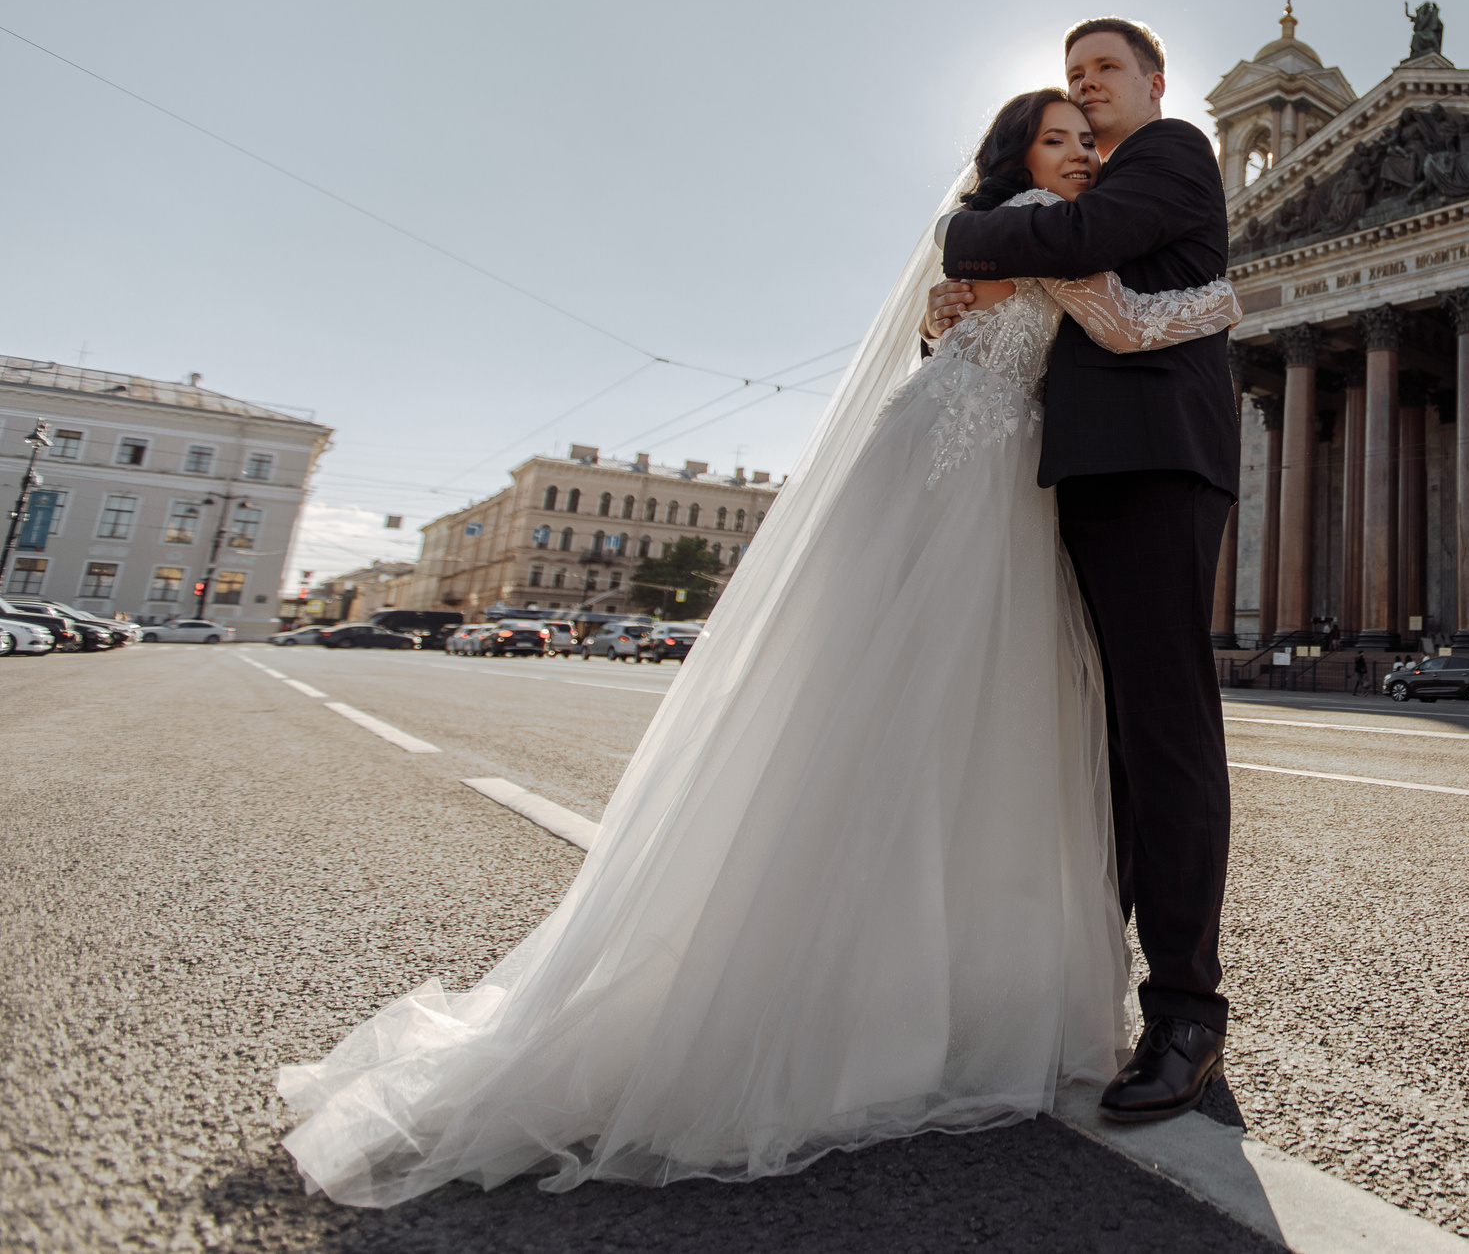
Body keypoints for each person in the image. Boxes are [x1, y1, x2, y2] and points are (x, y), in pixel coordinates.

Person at [276, 86, 1243, 1205]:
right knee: (957, 734)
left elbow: (1007, 310)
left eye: (1089, 139)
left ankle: (870, 987)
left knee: (916, 731)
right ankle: (932, 1001)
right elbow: (1119, 319)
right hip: (972, 489)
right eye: (1061, 138)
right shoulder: (1037, 230)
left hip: (985, 483)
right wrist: (1226, 295)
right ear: (1019, 154)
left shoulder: (1022, 230)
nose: (1081, 155)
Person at [928, 19, 1238, 1124]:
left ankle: (1189, 1012)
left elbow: (1082, 242)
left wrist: (968, 229)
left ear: (1153, 83)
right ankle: (1075, 989)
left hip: (1154, 463)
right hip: (1081, 472)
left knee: (1161, 733)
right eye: (1070, 80)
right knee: (1096, 742)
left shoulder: (1174, 150)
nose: (1087, 88)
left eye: (1103, 71)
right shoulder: (1069, 194)